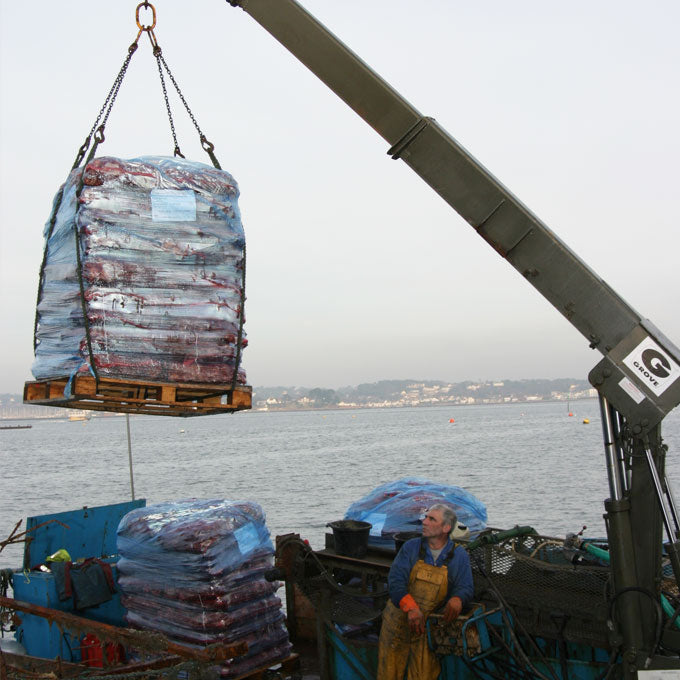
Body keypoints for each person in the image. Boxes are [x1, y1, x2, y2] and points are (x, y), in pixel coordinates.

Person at [377, 503, 474, 680]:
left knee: (423, 674)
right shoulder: (410, 548)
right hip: (397, 623)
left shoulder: (458, 555)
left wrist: (458, 599)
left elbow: (466, 586)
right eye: (425, 517)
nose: (424, 522)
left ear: (446, 528)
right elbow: (395, 581)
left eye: (431, 519)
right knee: (389, 672)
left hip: (426, 628)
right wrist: (411, 608)